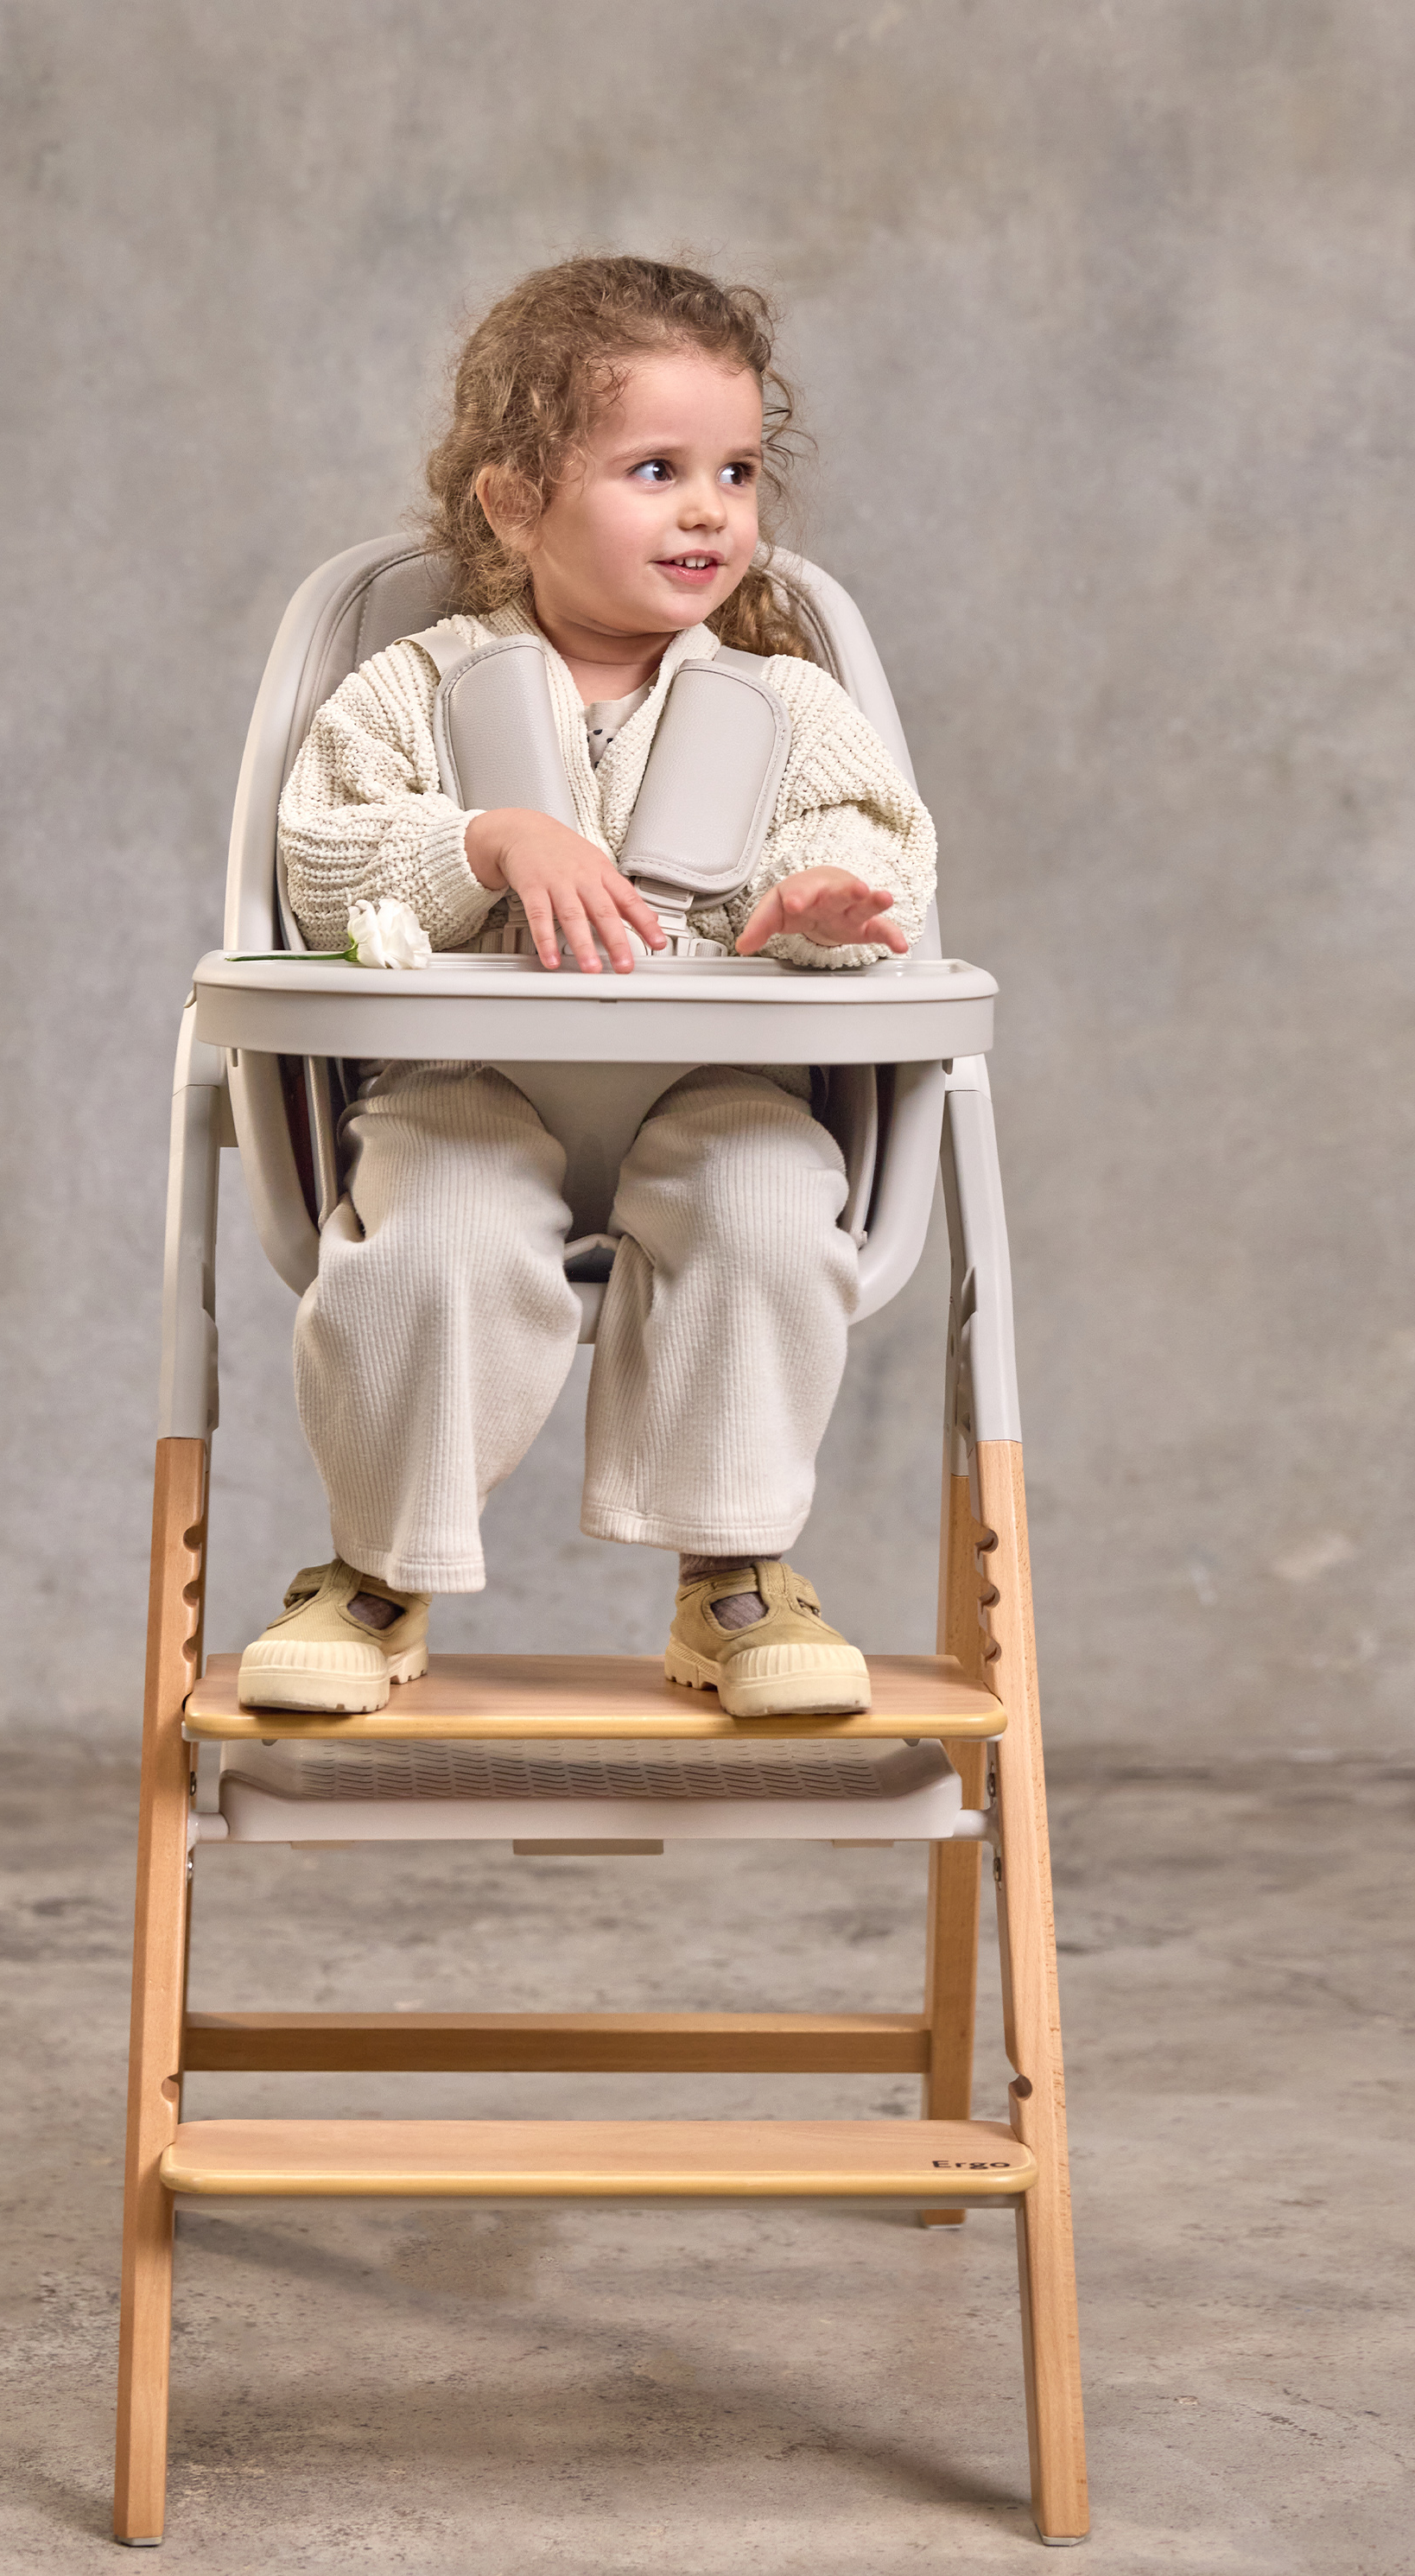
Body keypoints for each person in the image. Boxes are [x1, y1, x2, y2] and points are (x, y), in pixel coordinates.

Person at [239, 255, 937, 1720]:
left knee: (761, 1204)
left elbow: (868, 856)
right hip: (464, 1091)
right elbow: (320, 859)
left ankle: (736, 1578)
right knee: (432, 1237)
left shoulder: (786, 706)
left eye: (736, 470)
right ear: (512, 501)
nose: (708, 508)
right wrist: (480, 838)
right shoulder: (414, 692)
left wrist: (816, 909)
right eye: (654, 469)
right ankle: (374, 1575)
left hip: (717, 1085)